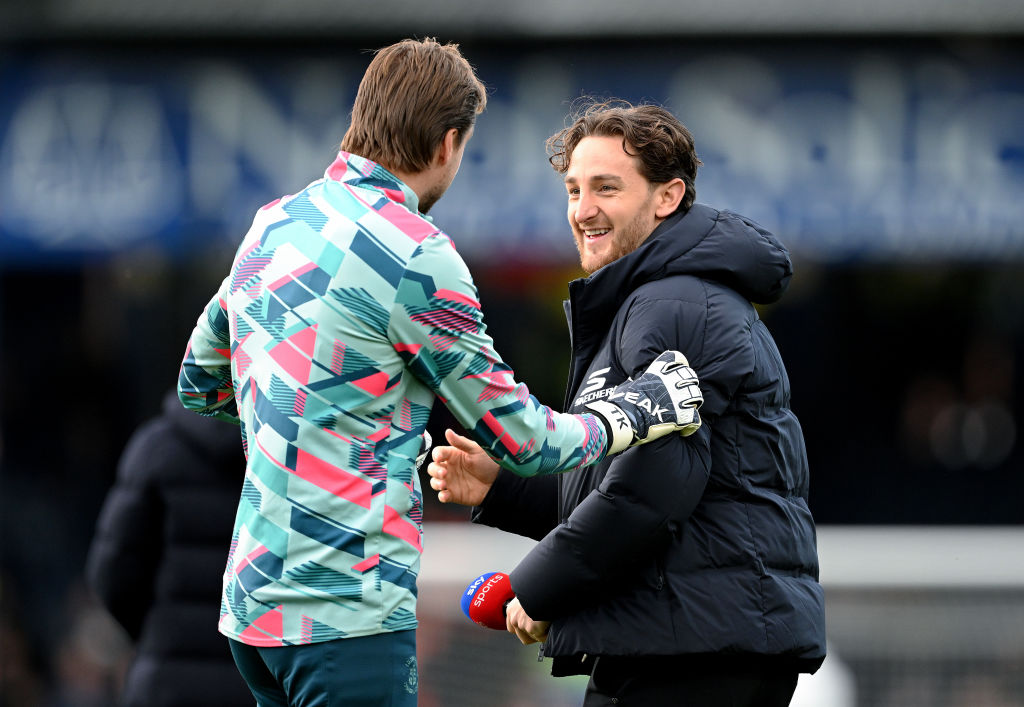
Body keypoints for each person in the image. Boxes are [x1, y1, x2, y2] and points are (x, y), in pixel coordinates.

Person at [176, 42, 704, 706]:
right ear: (448, 143)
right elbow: (530, 442)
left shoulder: (274, 223)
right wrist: (642, 408)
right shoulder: (416, 253)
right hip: (346, 617)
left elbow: (201, 380)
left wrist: (328, 424)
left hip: (251, 612)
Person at [427, 98, 827, 706]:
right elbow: (628, 486)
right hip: (683, 640)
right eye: (573, 190)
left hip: (696, 651)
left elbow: (650, 489)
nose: (583, 211)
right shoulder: (655, 300)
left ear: (667, 197)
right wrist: (502, 487)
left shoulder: (675, 303)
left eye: (606, 188)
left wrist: (538, 589)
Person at [86, 390, 253, 706]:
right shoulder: (301, 456)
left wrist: (156, 636)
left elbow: (111, 574)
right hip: (257, 685)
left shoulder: (157, 448)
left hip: (165, 684)